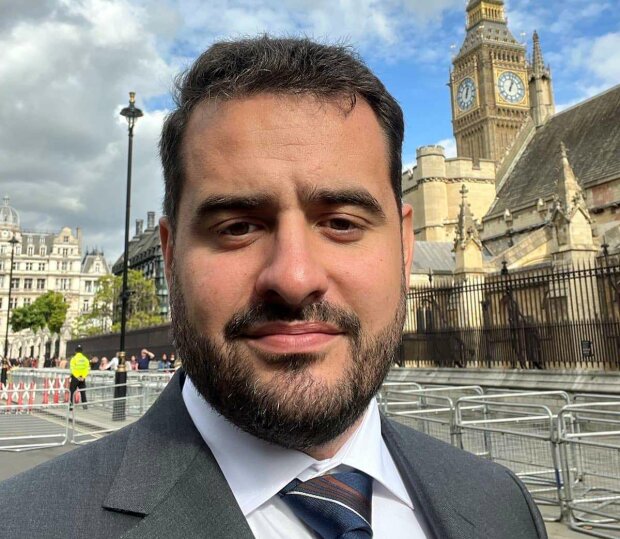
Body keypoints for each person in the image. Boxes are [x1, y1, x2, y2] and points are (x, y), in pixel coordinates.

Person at [0, 37, 546, 538]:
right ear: (169, 255)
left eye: (341, 223)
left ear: (406, 247)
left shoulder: (501, 507)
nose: (294, 277)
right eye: (238, 227)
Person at [68, 345, 89, 409]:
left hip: (75, 378)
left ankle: (71, 407)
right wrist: (83, 377)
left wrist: (77, 376)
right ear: (82, 351)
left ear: (75, 351)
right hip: (82, 378)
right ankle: (85, 406)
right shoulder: (85, 359)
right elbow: (87, 369)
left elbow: (72, 369)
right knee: (83, 392)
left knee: (72, 392)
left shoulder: (73, 359)